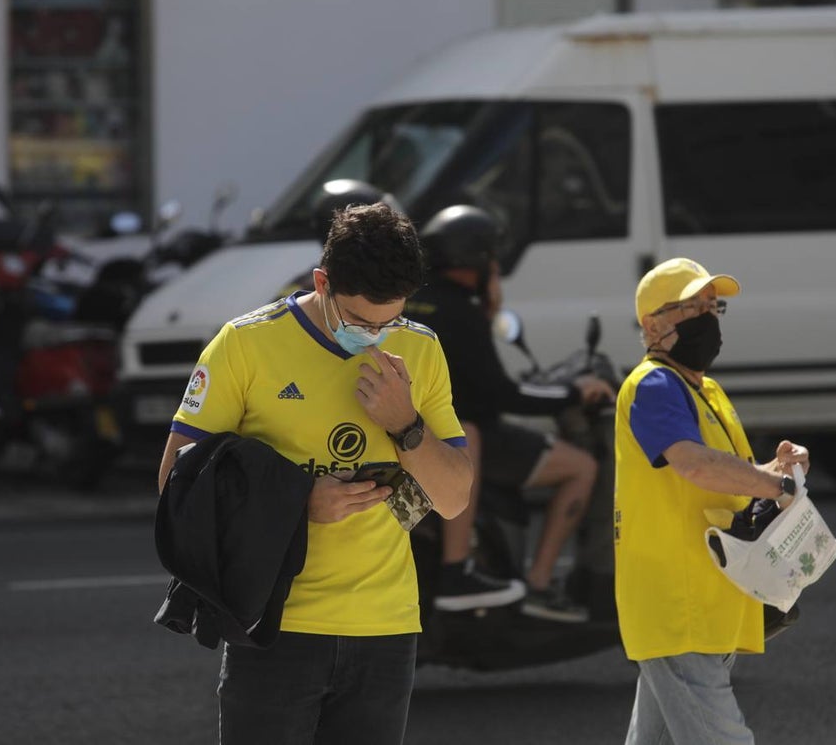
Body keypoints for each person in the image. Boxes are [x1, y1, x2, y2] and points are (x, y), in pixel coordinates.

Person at [156, 202, 473, 745]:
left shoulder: (420, 348)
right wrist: (298, 503)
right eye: (358, 321)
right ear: (322, 281)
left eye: (389, 320)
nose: (375, 336)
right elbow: (176, 487)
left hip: (386, 628)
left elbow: (453, 498)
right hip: (275, 627)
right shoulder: (244, 344)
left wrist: (407, 425)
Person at [613, 257, 811, 744]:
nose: (709, 318)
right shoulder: (653, 385)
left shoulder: (704, 389)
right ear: (653, 325)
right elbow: (692, 463)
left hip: (701, 597)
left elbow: (722, 478)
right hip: (679, 602)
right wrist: (773, 485)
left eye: (712, 306)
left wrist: (776, 472)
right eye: (693, 308)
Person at [407, 205, 615, 623]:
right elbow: (502, 394)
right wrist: (570, 392)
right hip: (467, 435)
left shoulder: (416, 302)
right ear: (476, 260)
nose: (496, 265)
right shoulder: (460, 312)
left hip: (414, 432)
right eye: (491, 256)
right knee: (582, 467)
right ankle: (534, 584)